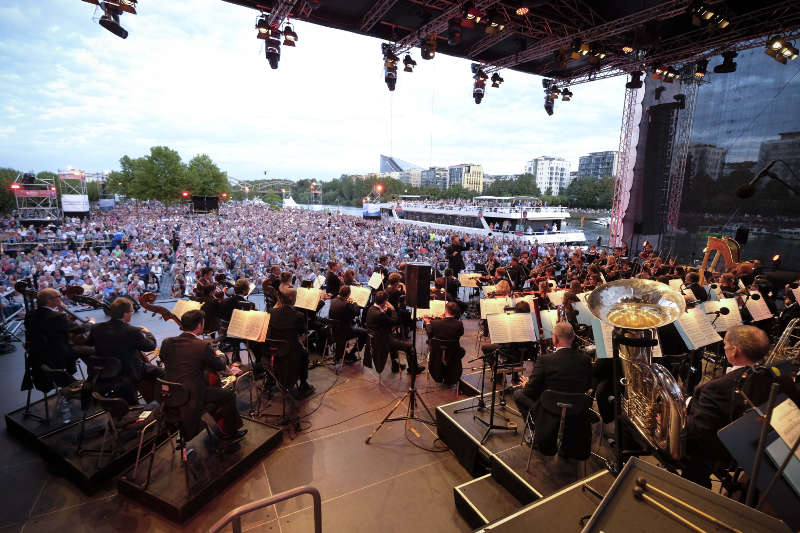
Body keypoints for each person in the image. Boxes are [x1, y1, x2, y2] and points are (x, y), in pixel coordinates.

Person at [683, 325, 770, 488]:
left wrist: (676, 418)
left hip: (721, 451)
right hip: (750, 442)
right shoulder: (767, 375)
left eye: (725, 344)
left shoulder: (716, 388)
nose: (724, 347)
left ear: (735, 351)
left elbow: (697, 431)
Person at [159, 309, 246, 442]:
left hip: (171, 394)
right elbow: (220, 366)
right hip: (192, 395)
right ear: (199, 325)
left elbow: (165, 359)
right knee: (228, 394)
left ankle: (219, 424)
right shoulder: (201, 345)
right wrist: (220, 354)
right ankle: (230, 433)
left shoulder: (167, 342)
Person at [87, 297, 164, 405]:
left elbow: (89, 343)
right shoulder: (132, 331)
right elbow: (150, 346)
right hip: (129, 370)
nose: (132, 313)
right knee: (162, 373)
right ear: (126, 314)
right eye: (131, 311)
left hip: (106, 369)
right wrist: (147, 333)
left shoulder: (96, 328)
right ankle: (159, 402)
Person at [513, 322, 592, 423]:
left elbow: (529, 391)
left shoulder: (544, 360)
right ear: (573, 337)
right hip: (577, 408)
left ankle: (536, 429)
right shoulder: (585, 359)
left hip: (551, 408)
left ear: (555, 339)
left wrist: (526, 384)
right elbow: (588, 385)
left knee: (518, 394)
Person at [24, 288, 94, 390]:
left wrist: (63, 315)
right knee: (93, 350)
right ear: (50, 300)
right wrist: (91, 322)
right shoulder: (56, 316)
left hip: (39, 355)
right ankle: (93, 380)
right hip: (57, 354)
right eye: (59, 296)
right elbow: (80, 329)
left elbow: (52, 328)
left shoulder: (30, 314)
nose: (61, 298)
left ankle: (74, 377)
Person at [267, 288, 315, 398]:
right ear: (293, 299)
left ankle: (270, 381)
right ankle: (303, 384)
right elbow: (303, 332)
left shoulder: (272, 311)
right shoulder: (298, 315)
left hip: (273, 349)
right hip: (290, 350)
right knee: (305, 354)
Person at [366, 291, 422, 374]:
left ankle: (395, 365)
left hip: (375, 338)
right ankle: (414, 369)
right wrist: (392, 309)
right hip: (383, 341)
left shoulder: (371, 309)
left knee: (394, 340)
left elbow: (385, 321)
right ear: (385, 301)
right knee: (410, 346)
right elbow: (395, 321)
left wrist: (386, 311)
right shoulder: (380, 314)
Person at [328, 285, 367, 364]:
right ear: (348, 294)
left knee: (351, 324)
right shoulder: (347, 305)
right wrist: (354, 302)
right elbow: (357, 312)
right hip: (344, 332)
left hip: (333, 331)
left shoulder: (333, 300)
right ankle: (350, 354)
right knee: (365, 333)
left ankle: (345, 353)